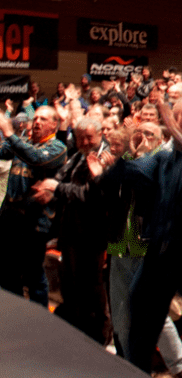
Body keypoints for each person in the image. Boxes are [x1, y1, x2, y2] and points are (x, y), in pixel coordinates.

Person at [100, 97, 182, 378]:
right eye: (174, 117)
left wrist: (173, 132)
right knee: (140, 320)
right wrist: (121, 155)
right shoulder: (164, 157)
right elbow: (133, 174)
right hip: (159, 254)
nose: (178, 123)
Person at [31, 117, 111, 343]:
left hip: (92, 235)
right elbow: (61, 176)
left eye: (89, 137)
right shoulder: (78, 155)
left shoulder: (104, 158)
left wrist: (57, 188)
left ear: (100, 135)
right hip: (71, 232)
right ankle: (75, 335)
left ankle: (98, 339)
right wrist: (49, 189)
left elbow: (90, 195)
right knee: (71, 288)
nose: (85, 142)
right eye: (80, 138)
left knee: (92, 291)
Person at [0, 105, 67, 306]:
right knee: (6, 272)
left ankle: (39, 321)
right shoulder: (24, 142)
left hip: (34, 221)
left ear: (54, 125)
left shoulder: (57, 148)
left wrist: (10, 133)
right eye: (35, 118)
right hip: (10, 217)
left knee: (33, 274)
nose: (37, 122)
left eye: (43, 119)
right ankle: (15, 313)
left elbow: (36, 159)